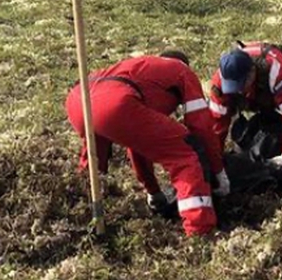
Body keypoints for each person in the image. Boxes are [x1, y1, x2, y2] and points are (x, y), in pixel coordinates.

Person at [65, 50, 229, 237]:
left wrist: (154, 192)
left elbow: (140, 141)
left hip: (79, 100)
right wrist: (218, 171)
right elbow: (201, 127)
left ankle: (79, 213)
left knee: (93, 164)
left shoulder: (142, 71)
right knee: (187, 152)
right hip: (114, 103)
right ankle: (200, 230)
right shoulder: (182, 71)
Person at [208, 42, 282, 178]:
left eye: (241, 84)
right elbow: (217, 125)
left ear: (252, 72)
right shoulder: (220, 84)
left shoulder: (277, 72)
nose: (238, 91)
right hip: (257, 97)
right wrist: (216, 165)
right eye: (233, 87)